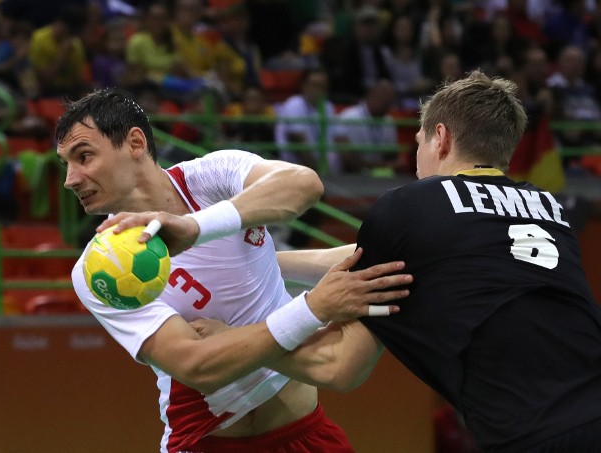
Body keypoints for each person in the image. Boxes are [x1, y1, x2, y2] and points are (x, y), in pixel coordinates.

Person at [197, 70, 601, 452]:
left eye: (419, 143)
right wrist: (263, 260)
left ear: (440, 138)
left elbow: (339, 366)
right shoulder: (550, 209)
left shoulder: (408, 207)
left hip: (538, 434)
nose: (416, 159)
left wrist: (233, 339)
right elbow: (381, 255)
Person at [55, 87, 410, 453]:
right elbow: (197, 367)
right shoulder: (98, 269)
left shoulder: (210, 176)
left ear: (134, 143)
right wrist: (313, 308)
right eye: (66, 163)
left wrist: (195, 228)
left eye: (84, 156)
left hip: (308, 435)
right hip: (208, 443)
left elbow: (304, 184)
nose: (71, 179)